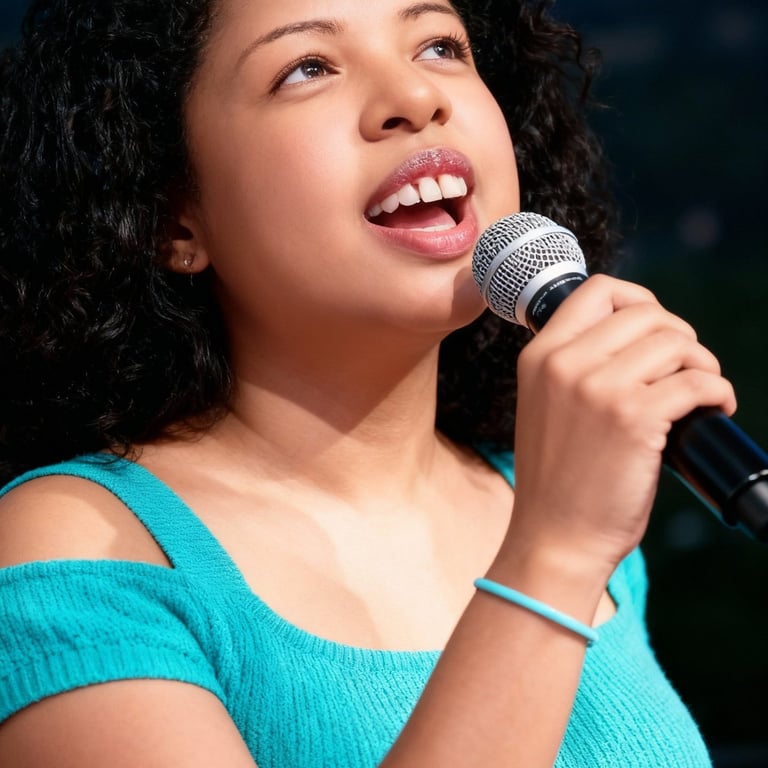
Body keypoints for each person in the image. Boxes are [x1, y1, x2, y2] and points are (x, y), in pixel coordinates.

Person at [0, 0, 736, 765]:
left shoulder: (548, 502)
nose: (416, 97)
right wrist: (552, 557)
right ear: (173, 218)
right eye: (307, 68)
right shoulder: (78, 548)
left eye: (440, 46)